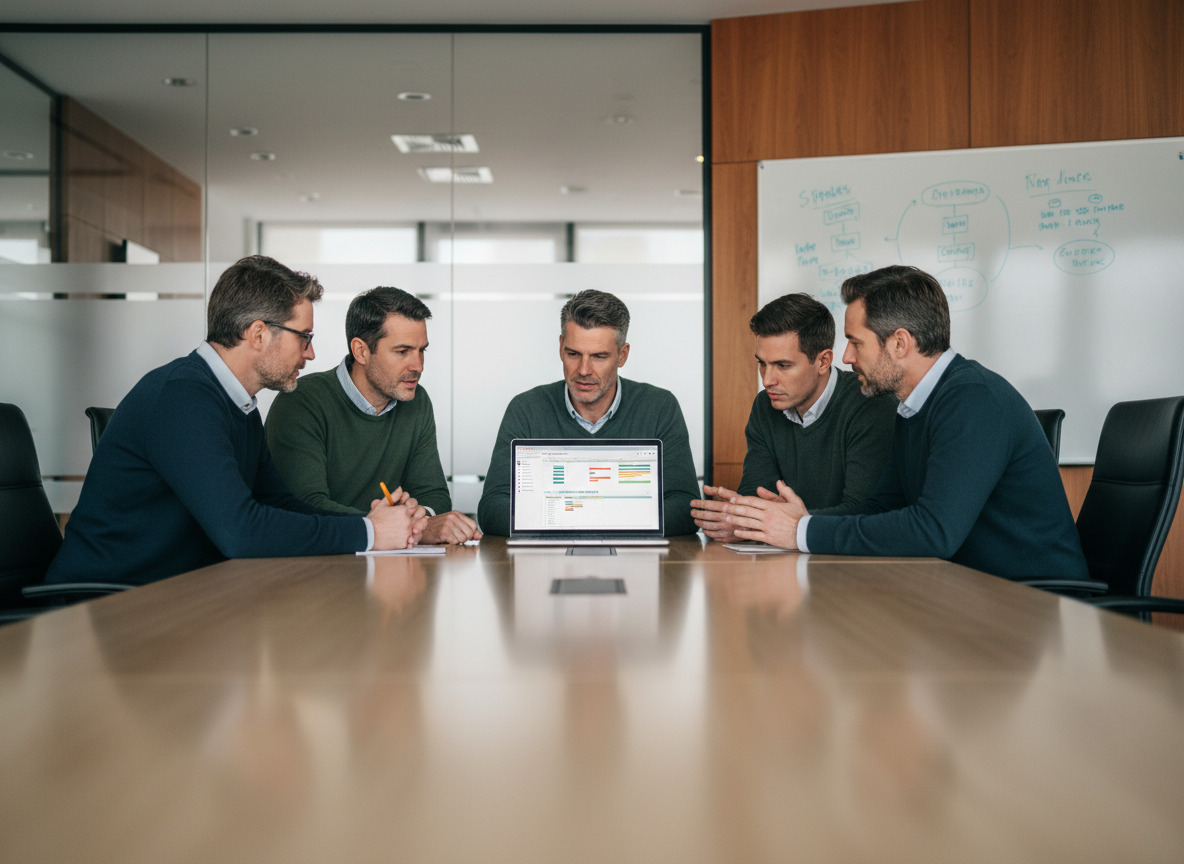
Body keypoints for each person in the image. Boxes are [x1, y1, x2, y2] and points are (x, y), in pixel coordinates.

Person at [46, 256, 427, 587]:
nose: (310, 354)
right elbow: (240, 532)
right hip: (102, 608)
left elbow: (279, 503)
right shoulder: (183, 398)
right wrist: (369, 532)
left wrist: (377, 522)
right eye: (304, 337)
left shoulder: (236, 404)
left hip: (176, 597)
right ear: (259, 334)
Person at [691, 264, 1089, 581]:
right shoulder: (914, 405)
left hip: (1032, 604)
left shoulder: (972, 399)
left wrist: (799, 532)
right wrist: (791, 522)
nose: (846, 358)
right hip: (967, 591)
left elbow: (934, 532)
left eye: (856, 342)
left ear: (899, 343)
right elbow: (882, 506)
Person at [266, 286, 480, 544]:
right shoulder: (302, 402)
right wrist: (397, 527)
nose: (418, 366)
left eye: (422, 350)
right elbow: (305, 505)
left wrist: (418, 519)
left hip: (391, 567)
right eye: (403, 352)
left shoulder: (416, 401)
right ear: (361, 351)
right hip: (316, 565)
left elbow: (433, 494)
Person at [478, 289, 700, 536]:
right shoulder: (526, 409)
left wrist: (571, 514)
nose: (583, 370)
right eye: (573, 354)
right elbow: (492, 509)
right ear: (561, 347)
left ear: (622, 355)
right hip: (546, 566)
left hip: (636, 566)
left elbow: (684, 507)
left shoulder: (659, 407)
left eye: (599, 356)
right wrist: (608, 515)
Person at [694, 293, 896, 542]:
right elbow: (757, 493)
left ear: (823, 361)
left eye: (783, 365)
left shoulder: (870, 403)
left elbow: (865, 510)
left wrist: (790, 522)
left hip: (855, 564)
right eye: (762, 364)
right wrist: (736, 515)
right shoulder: (766, 406)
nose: (767, 380)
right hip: (788, 560)